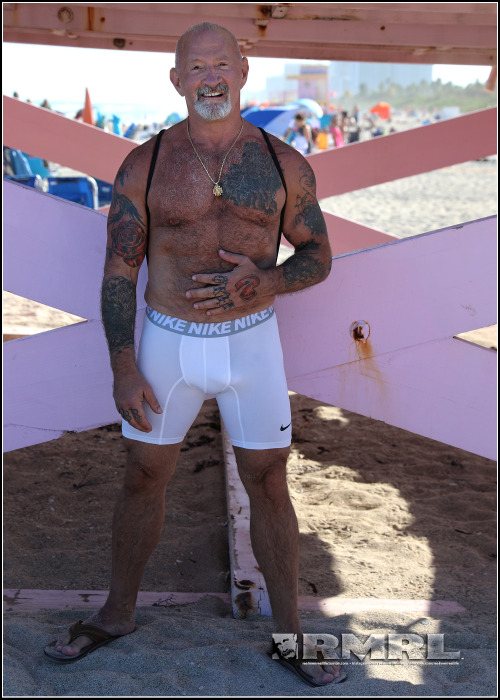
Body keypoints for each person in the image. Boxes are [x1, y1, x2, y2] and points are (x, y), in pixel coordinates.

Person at [44, 22, 344, 688]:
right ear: (177, 80)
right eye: (195, 67)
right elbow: (120, 271)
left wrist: (268, 280)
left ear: (243, 69)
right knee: (142, 478)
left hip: (253, 342)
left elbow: (319, 254)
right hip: (168, 343)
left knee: (269, 483)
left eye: (220, 64)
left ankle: (290, 632)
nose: (210, 77)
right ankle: (117, 613)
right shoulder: (144, 164)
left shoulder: (283, 165)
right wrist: (123, 364)